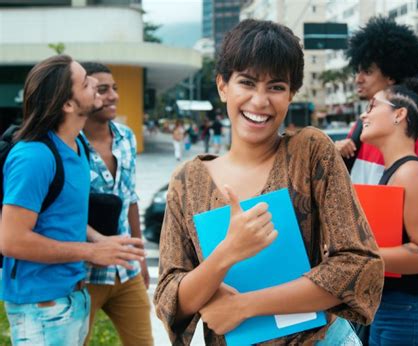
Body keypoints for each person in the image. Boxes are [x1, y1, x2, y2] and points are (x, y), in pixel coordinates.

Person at [155, 19, 384, 345]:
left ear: (291, 94)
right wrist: (227, 253)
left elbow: (358, 266)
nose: (260, 101)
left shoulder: (310, 152)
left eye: (276, 87)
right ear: (223, 86)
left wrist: (244, 306)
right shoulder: (187, 181)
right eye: (246, 83)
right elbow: (169, 298)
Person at [0, 55, 145, 345]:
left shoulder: (77, 145)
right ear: (68, 104)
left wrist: (98, 240)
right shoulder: (34, 157)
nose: (95, 84)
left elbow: (63, 215)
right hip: (40, 307)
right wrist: (89, 253)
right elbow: (11, 240)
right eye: (86, 82)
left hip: (72, 296)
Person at [359, 77, 418, 345]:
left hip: (412, 317)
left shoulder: (411, 173)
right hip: (392, 313)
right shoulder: (394, 172)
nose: (363, 115)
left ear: (399, 115)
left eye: (372, 106)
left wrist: (357, 256)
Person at [81, 62, 153, 346]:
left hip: (126, 270)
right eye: (102, 90)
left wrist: (141, 257)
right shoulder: (68, 143)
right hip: (83, 272)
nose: (112, 96)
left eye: (115, 89)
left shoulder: (126, 137)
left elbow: (130, 198)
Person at [335, 17, 418, 184]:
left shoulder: (415, 141)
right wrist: (336, 152)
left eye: (367, 71)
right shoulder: (360, 128)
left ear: (391, 76)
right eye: (357, 71)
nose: (358, 79)